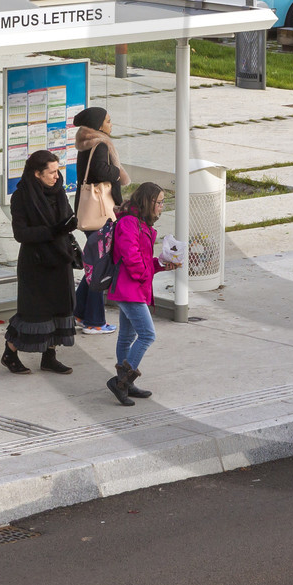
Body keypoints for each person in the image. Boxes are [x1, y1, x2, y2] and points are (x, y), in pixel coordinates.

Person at [2, 149, 78, 375]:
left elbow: (67, 217)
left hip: (60, 258)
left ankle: (49, 357)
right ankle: (10, 352)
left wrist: (70, 224)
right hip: (36, 263)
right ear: (37, 173)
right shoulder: (22, 196)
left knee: (59, 310)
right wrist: (53, 230)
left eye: (58, 171)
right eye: (51, 172)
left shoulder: (59, 191)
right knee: (33, 314)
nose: (57, 176)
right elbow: (21, 234)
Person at [106, 183, 173, 406]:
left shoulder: (140, 223)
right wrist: (145, 274)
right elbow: (131, 257)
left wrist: (161, 264)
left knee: (127, 337)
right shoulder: (129, 222)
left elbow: (141, 260)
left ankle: (125, 384)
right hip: (129, 288)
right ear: (148, 201)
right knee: (147, 335)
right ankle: (122, 382)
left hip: (134, 287)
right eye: (159, 202)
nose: (161, 206)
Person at [73, 106, 128, 335]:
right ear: (98, 124)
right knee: (99, 268)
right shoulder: (101, 144)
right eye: (108, 120)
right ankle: (94, 322)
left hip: (88, 210)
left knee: (94, 265)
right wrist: (117, 172)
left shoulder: (85, 143)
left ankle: (78, 312)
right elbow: (100, 171)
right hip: (101, 214)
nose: (111, 124)